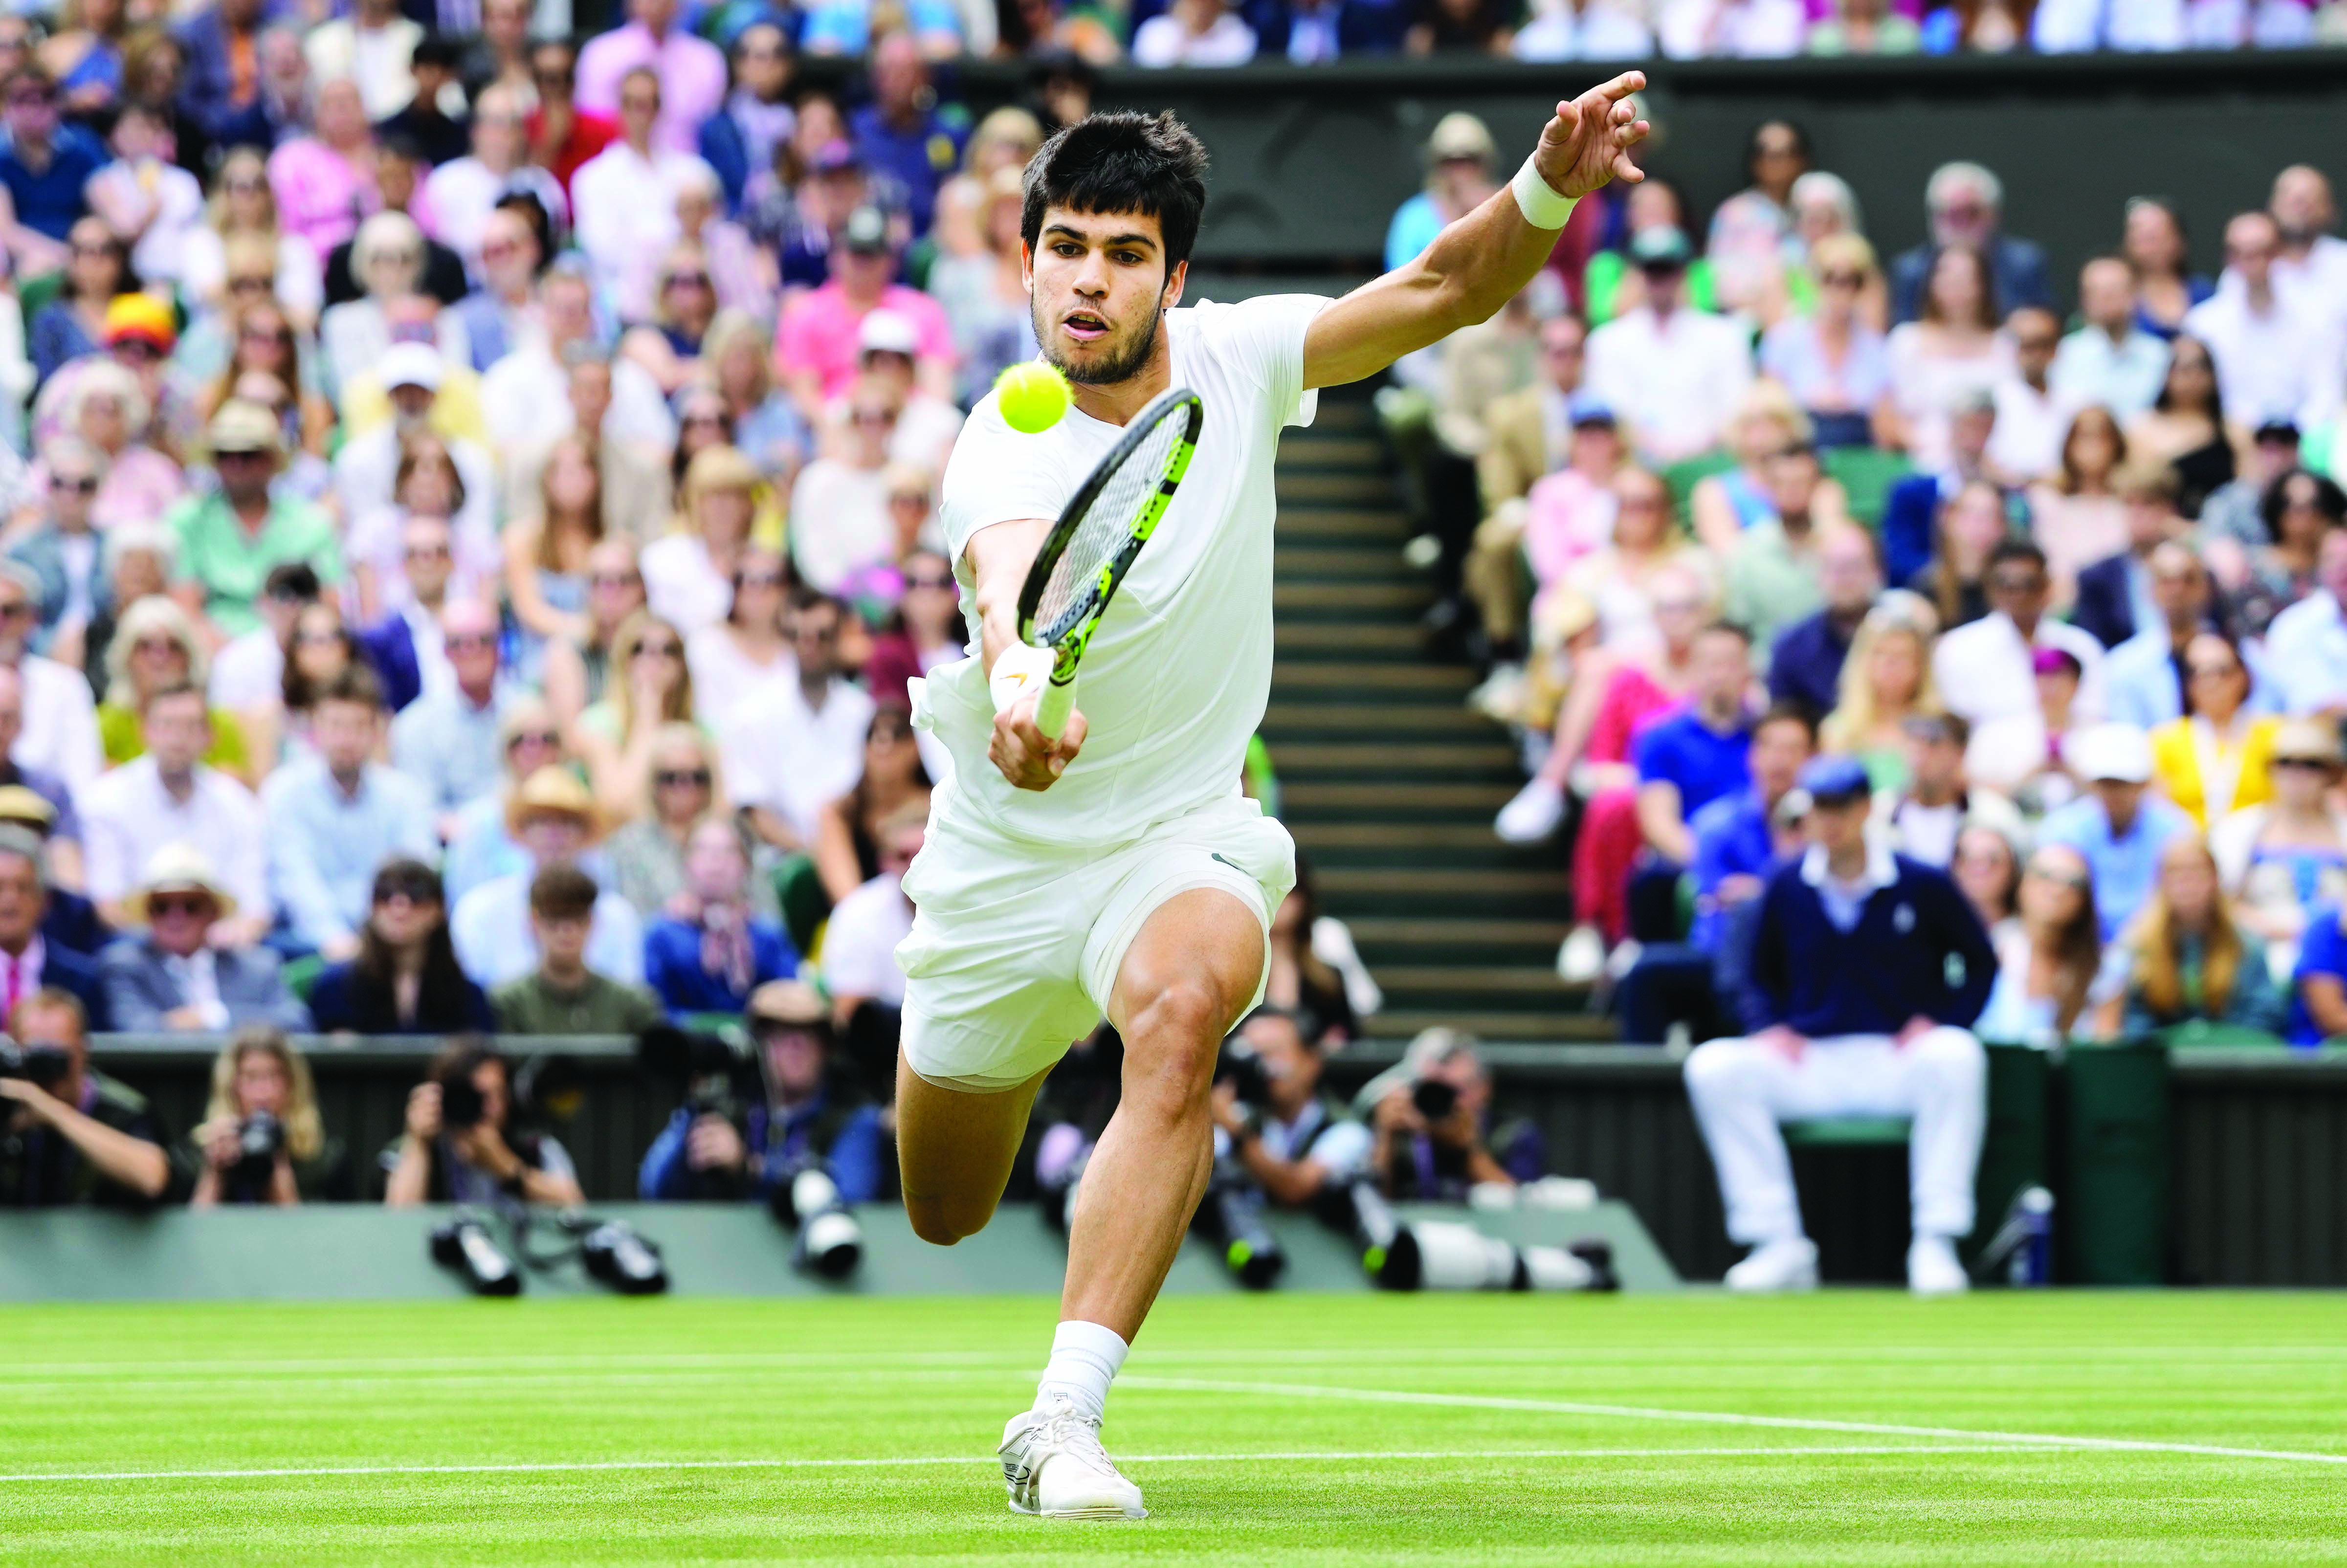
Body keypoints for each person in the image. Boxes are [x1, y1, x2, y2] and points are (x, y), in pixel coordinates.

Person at [891, 87, 1650, 1520]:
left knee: (1181, 1018)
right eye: (1064, 246)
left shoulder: (1239, 360)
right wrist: (1012, 681)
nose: (1087, 278)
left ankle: (1061, 1418)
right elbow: (1004, 587)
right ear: (1029, 259)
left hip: (1176, 837)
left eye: (1122, 253)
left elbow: (1441, 285)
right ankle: (1010, 1062)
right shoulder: (1000, 437)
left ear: (1174, 276)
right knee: (942, 1207)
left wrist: (1545, 189)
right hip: (1001, 865)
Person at [1683, 754, 1994, 1296]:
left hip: (1897, 1061)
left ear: (1868, 809)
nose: (1830, 821)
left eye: (1842, 808)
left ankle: (1936, 1241)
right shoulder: (1782, 885)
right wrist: (1767, 1026)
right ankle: (1776, 1241)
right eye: (1820, 809)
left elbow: (1980, 962)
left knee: (1958, 1055)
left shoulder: (1922, 883)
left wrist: (1940, 1019)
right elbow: (1744, 969)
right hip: (1811, 1064)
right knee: (1714, 1067)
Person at [639, 977, 885, 1203]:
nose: (795, 1046)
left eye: (808, 1034)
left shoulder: (854, 1114)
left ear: (827, 1047)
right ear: (756, 1044)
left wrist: (750, 1169)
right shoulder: (732, 1105)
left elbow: (851, 1199)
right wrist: (695, 1117)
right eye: (780, 1034)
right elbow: (654, 1189)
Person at [259, 666, 436, 960]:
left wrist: (383, 935)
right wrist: (336, 939)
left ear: (377, 731)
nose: (346, 739)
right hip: (308, 940)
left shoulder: (406, 795)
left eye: (358, 727)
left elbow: (416, 872)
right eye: (336, 726)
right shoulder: (283, 792)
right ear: (315, 729)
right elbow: (295, 879)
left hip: (392, 935)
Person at [80, 682, 269, 940]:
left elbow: (254, 906)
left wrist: (215, 940)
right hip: (139, 944)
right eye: (166, 725)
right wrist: (173, 941)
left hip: (221, 945)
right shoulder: (106, 798)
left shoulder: (238, 803)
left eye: (191, 726)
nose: (178, 737)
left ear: (209, 737)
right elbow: (108, 904)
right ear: (144, 731)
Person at [452, 766, 644, 989]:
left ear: (585, 835)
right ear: (521, 832)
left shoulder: (618, 917)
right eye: (542, 821)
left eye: (567, 823)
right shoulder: (480, 911)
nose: (554, 834)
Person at [167, 400, 342, 641]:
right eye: (225, 455)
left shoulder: (311, 522)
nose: (236, 465)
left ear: (272, 460)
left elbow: (329, 604)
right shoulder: (187, 519)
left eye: (249, 455)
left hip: (293, 650)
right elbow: (186, 608)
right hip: (210, 652)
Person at [1582, 225, 1752, 464]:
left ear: (1683, 272)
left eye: (1668, 269)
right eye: (1652, 270)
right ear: (1638, 273)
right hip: (1633, 466)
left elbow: (1736, 407)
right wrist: (1654, 449)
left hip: (1710, 461)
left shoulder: (1726, 336)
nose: (1660, 280)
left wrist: (1693, 450)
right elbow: (1613, 413)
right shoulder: (1606, 341)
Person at [97, 843, 309, 1032]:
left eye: (191, 906)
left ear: (213, 912)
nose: (175, 917)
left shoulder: (257, 966)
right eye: (162, 907)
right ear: (149, 914)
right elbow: (133, 1029)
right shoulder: (125, 965)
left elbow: (296, 1022)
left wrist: (216, 1017)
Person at [726, 592, 876, 855]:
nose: (810, 645)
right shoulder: (751, 714)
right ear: (784, 637)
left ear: (840, 636)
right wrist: (813, 854)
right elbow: (754, 810)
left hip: (856, 851)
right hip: (784, 860)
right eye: (798, 635)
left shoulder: (863, 711)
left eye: (823, 635)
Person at [0, 986, 170, 1206]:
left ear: (83, 1051)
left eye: (56, 1057)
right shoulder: (8, 1106)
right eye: (35, 1057)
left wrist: (52, 1112)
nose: (47, 1071)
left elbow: (152, 1179)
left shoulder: (121, 1111)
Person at [2115, 833, 2286, 1038]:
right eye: (2176, 875)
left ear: (2215, 880)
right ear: (2160, 883)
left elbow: (2264, 1016)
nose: (2187, 883)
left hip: (2230, 1062)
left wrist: (2212, 1042)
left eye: (2196, 873)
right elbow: (2134, 1021)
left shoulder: (2246, 945)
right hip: (2163, 1063)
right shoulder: (2138, 945)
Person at [2212, 718, 2347, 974]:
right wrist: (2267, 926)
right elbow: (2220, 902)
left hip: (2337, 956)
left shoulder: (2343, 829)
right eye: (2286, 763)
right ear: (2271, 768)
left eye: (2311, 765)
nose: (2297, 773)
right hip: (2256, 955)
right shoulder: (2238, 830)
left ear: (2331, 772)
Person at [2037, 723, 2196, 940]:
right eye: (2105, 783)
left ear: (2145, 784)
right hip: (2080, 946)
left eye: (2122, 784)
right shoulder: (2062, 829)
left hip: (2159, 946)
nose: (2113, 793)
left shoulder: (2175, 830)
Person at [382, 1037, 587, 1205]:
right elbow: (398, 1222)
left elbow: (576, 1207)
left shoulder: (537, 1150)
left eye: (496, 1095)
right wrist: (419, 1143)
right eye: (475, 1096)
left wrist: (508, 1169)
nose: (487, 1109)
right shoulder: (417, 1150)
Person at [1206, 1005, 1372, 1209]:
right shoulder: (1240, 1118)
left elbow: (1297, 1189)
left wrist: (1238, 1134)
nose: (1264, 1067)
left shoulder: (1345, 1130)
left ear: (1312, 1061)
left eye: (1275, 1053)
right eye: (1255, 1056)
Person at [1930, 539, 2106, 729]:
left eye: (2029, 584)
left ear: (2047, 586)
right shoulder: (1958, 649)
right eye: (2007, 584)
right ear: (1990, 588)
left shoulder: (2080, 647)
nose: (2019, 594)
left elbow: (2093, 718)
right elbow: (1958, 730)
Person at [306, 857, 493, 1035]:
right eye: (385, 895)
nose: (400, 909)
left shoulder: (466, 997)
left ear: (439, 910)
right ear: (372, 908)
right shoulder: (335, 989)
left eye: (416, 895)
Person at [643, 816, 797, 1017]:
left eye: (729, 852)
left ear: (746, 865)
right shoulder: (663, 935)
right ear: (685, 862)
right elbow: (655, 1011)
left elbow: (790, 1002)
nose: (716, 863)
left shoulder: (766, 936)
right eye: (703, 851)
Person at [487, 862, 665, 1036]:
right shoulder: (507, 1005)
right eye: (554, 918)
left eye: (577, 917)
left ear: (592, 921)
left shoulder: (633, 1005)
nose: (566, 930)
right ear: (534, 922)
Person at [187, 1027, 349, 1204]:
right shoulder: (194, 1154)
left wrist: (277, 1162)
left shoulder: (325, 1158)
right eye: (251, 1077)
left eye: (275, 1077)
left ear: (293, 1085)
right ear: (231, 1086)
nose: (265, 1092)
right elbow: (192, 1228)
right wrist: (215, 1173)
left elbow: (328, 1230)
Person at [1974, 841, 2112, 1047]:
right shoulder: (1990, 949)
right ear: (2022, 884)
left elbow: (2103, 1053)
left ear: (2086, 898)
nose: (2058, 890)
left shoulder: (2105, 969)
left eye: (2073, 882)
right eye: (2045, 876)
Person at [1886, 161, 2051, 327]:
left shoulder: (2024, 264)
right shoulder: (1911, 270)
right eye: (1952, 214)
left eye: (1971, 213)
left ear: (1992, 214)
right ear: (1934, 217)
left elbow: (2045, 326)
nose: (1961, 224)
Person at [389, 598, 511, 820]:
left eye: (483, 640)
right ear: (444, 652)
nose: (472, 651)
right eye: (459, 643)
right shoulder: (415, 726)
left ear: (499, 647)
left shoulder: (527, 714)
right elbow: (419, 811)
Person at [2149, 631, 2279, 831]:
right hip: (2190, 850)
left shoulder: (2274, 735)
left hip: (2256, 844)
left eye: (2221, 671)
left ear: (2242, 675)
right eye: (2197, 673)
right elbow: (2158, 814)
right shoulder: (2164, 741)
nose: (2211, 682)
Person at [1819, 601, 1941, 791]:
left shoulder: (1940, 728)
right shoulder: (1838, 731)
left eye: (1902, 656)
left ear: (1920, 667)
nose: (1890, 665)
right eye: (1879, 654)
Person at [1767, 524, 1881, 720]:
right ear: (1819, 573)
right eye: (1835, 567)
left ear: (1877, 571)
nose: (1845, 578)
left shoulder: (1900, 638)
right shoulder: (1792, 647)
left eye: (1855, 565)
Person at [0, 824, 104, 1025]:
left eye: (23, 888)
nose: (10, 901)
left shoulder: (82, 979)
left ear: (45, 900)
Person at [2050, 255, 2170, 421]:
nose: (2107, 298)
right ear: (2084, 300)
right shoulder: (2063, 356)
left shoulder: (2162, 356)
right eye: (2097, 291)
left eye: (2115, 289)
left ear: (2136, 294)